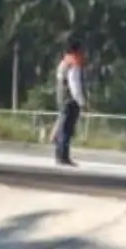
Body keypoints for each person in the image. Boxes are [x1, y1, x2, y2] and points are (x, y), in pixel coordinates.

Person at [53, 38, 87, 166]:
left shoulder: (64, 62)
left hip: (62, 98)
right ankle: (63, 157)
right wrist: (81, 101)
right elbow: (75, 84)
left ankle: (59, 155)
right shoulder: (74, 63)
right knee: (67, 129)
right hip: (70, 100)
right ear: (77, 50)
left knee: (63, 127)